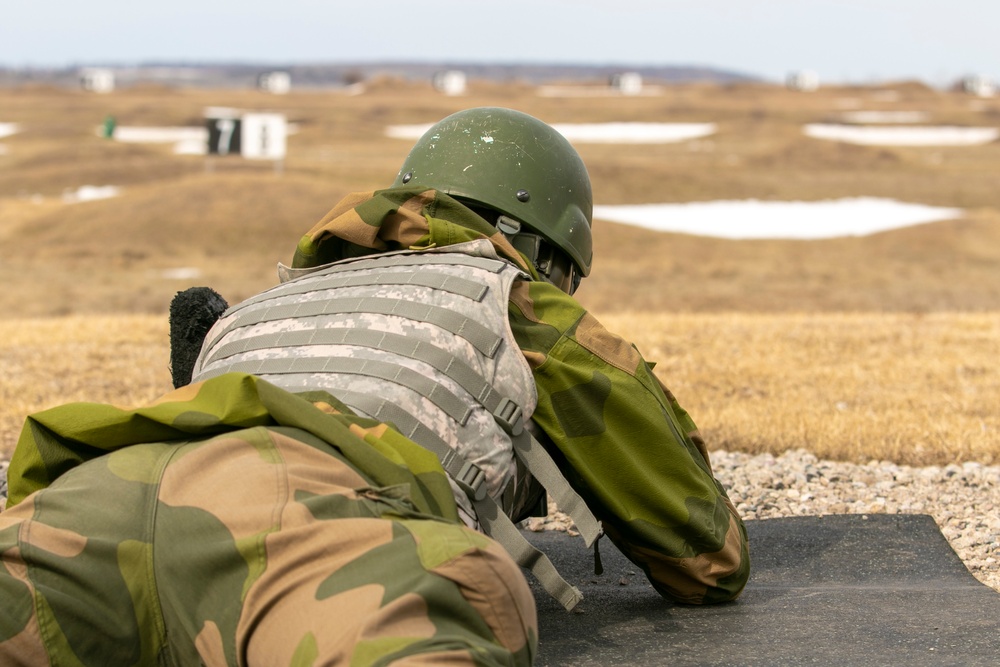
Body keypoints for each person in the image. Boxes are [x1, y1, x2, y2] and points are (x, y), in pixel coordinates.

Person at [0, 107, 749, 666]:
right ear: (542, 252)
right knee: (476, 598)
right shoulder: (515, 301)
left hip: (99, 482)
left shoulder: (270, 302)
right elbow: (705, 555)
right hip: (317, 514)